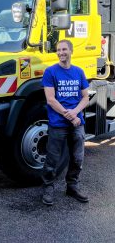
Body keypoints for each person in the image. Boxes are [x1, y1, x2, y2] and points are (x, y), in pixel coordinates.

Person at [41, 39, 89, 206]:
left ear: (71, 51)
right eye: (58, 50)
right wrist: (70, 116)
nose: (61, 52)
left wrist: (75, 113)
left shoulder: (79, 72)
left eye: (64, 49)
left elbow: (85, 97)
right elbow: (51, 100)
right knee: (52, 159)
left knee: (77, 158)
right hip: (58, 123)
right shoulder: (50, 72)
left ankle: (72, 186)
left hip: (77, 122)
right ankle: (48, 187)